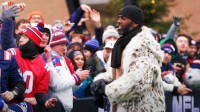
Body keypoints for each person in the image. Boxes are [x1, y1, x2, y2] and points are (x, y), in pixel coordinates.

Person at [91, 5, 165, 111]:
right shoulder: (120, 44)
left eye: (123, 18)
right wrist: (101, 81)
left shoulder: (145, 45)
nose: (119, 21)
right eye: (119, 17)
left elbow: (139, 82)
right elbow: (115, 73)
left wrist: (108, 90)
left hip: (143, 107)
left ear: (135, 22)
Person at [6, 26, 57, 111]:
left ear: (33, 41)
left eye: (25, 37)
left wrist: (45, 101)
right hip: (8, 104)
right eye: (21, 36)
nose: (20, 40)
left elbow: (40, 93)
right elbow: (4, 82)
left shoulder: (43, 66)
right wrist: (23, 99)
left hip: (28, 108)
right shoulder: (11, 53)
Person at [44, 29, 90, 112]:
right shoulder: (53, 59)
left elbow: (67, 87)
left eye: (65, 44)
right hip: (56, 106)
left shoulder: (61, 58)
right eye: (62, 44)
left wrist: (78, 80)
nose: (65, 48)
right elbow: (57, 85)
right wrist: (76, 77)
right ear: (53, 45)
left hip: (62, 106)